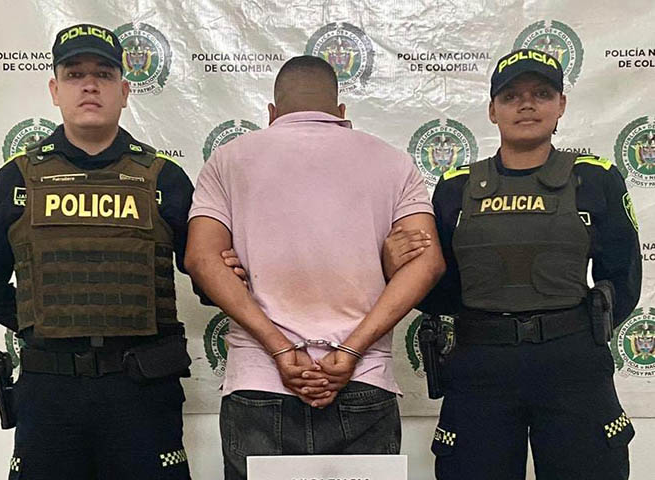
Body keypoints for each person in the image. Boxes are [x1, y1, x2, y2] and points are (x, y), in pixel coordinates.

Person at [184, 55, 446, 480]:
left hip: (260, 380)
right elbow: (428, 262)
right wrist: (350, 350)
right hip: (363, 378)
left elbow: (201, 258)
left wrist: (281, 349)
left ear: (272, 112)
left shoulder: (228, 160)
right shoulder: (392, 162)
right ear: (341, 111)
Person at [385, 49, 642, 479]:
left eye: (541, 93)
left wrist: (576, 330)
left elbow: (623, 278)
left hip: (572, 367)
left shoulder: (596, 178)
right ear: (492, 110)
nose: (526, 105)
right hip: (480, 365)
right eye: (511, 96)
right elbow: (440, 293)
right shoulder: (455, 188)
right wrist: (397, 266)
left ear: (561, 104)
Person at [0, 24, 194, 480]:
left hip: (141, 392)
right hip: (50, 394)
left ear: (124, 91)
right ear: (55, 90)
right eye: (74, 74)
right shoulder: (17, 178)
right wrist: (43, 316)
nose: (89, 85)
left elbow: (206, 275)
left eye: (104, 74)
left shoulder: (164, 178)